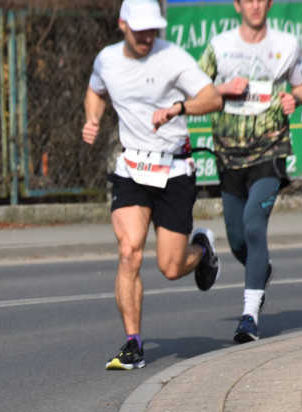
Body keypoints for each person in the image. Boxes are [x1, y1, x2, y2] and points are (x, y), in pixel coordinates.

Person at [82, 0, 223, 370]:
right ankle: (133, 344)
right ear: (122, 24)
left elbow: (213, 98)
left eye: (152, 29)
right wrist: (92, 119)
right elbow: (95, 91)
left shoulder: (172, 57)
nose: (147, 36)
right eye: (139, 29)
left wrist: (179, 108)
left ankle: (204, 250)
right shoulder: (107, 59)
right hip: (131, 167)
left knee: (171, 267)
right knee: (129, 251)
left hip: (174, 170)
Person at [197, 0, 302, 343]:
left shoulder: (287, 45)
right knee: (235, 239)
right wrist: (222, 88)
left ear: (269, 3)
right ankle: (261, 271)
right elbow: (196, 90)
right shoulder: (220, 46)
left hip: (270, 151)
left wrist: (296, 98)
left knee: (253, 223)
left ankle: (249, 317)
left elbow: (301, 86)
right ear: (237, 4)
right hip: (229, 155)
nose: (256, 5)